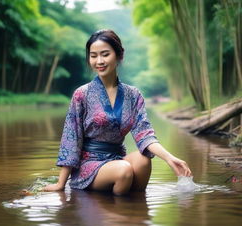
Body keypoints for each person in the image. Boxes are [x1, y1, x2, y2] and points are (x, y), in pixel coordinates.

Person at [44, 29, 192, 196]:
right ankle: (116, 215)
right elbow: (71, 139)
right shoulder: (82, 94)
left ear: (119, 55)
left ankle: (135, 212)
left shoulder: (133, 95)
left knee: (144, 160)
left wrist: (169, 158)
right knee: (124, 170)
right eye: (93, 56)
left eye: (105, 54)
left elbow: (145, 134)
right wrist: (60, 184)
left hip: (117, 158)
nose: (99, 61)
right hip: (89, 164)